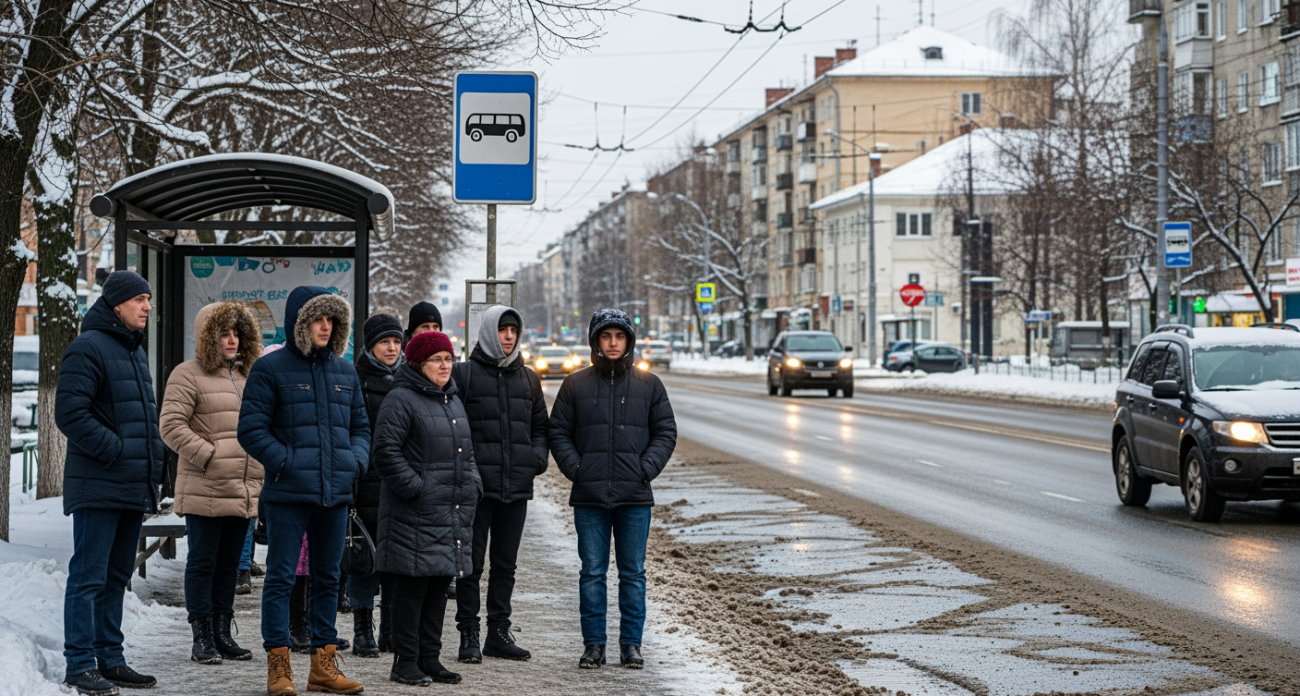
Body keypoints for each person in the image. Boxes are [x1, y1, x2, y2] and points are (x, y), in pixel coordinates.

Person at [238, 286, 370, 696]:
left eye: (332, 319)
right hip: (289, 495)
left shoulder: (345, 371)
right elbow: (251, 430)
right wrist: (286, 462)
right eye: (317, 319)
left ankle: (323, 666)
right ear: (299, 323)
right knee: (280, 579)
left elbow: (361, 427)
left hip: (335, 494)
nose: (326, 327)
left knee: (328, 578)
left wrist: (354, 463)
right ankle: (278, 666)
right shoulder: (270, 368)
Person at [55, 270, 165, 695]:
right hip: (99, 483)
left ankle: (110, 659)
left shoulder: (133, 349)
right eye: (139, 299)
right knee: (88, 577)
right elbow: (70, 413)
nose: (147, 307)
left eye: (148, 299)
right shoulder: (88, 347)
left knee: (116, 577)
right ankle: (80, 664)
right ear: (117, 305)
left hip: (131, 484)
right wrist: (115, 450)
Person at [549, 309, 677, 670]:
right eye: (606, 336)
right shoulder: (575, 385)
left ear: (629, 341)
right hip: (589, 496)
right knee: (592, 572)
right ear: (595, 341)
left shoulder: (649, 385)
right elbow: (558, 431)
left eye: (619, 336)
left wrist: (644, 469)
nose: (613, 343)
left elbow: (665, 432)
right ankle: (594, 645)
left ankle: (631, 645)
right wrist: (577, 469)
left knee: (632, 573)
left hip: (634, 497)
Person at [372, 331, 480, 686]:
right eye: (437, 360)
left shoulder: (453, 400)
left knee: (438, 587)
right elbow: (385, 452)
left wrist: (473, 485)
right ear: (418, 364)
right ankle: (405, 661)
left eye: (448, 359)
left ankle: (429, 658)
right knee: (412, 590)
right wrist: (417, 489)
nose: (445, 366)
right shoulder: (401, 399)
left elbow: (467, 454)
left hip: (450, 511)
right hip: (413, 514)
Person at [160, 301, 265, 666]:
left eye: (237, 333)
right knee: (203, 563)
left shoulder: (251, 375)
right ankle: (202, 636)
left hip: (243, 487)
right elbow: (170, 425)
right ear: (208, 337)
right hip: (205, 485)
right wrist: (209, 455)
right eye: (224, 333)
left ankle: (222, 633)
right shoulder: (187, 374)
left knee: (229, 564)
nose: (232, 340)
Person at [452, 306, 548, 663]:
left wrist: (535, 460)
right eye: (502, 330)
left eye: (513, 331)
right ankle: (469, 633)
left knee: (506, 564)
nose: (508, 336)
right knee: (470, 564)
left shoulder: (528, 378)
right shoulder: (465, 375)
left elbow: (541, 427)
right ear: (489, 332)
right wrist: (466, 470)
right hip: (476, 489)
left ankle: (498, 632)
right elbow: (453, 425)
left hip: (516, 487)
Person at [348, 312, 405, 656]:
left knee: (395, 560)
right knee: (363, 558)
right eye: (385, 341)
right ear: (370, 345)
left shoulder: (409, 378)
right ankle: (362, 629)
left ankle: (390, 629)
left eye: (396, 341)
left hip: (399, 482)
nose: (392, 348)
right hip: (365, 481)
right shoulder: (355, 379)